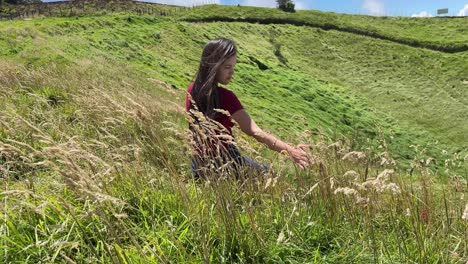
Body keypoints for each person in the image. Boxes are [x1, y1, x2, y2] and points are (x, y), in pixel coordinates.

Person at [186, 38, 310, 179]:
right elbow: (255, 131)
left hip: (197, 166)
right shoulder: (226, 97)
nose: (232, 72)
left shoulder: (192, 90)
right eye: (227, 67)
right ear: (212, 65)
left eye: (233, 66)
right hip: (225, 162)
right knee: (272, 175)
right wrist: (291, 151)